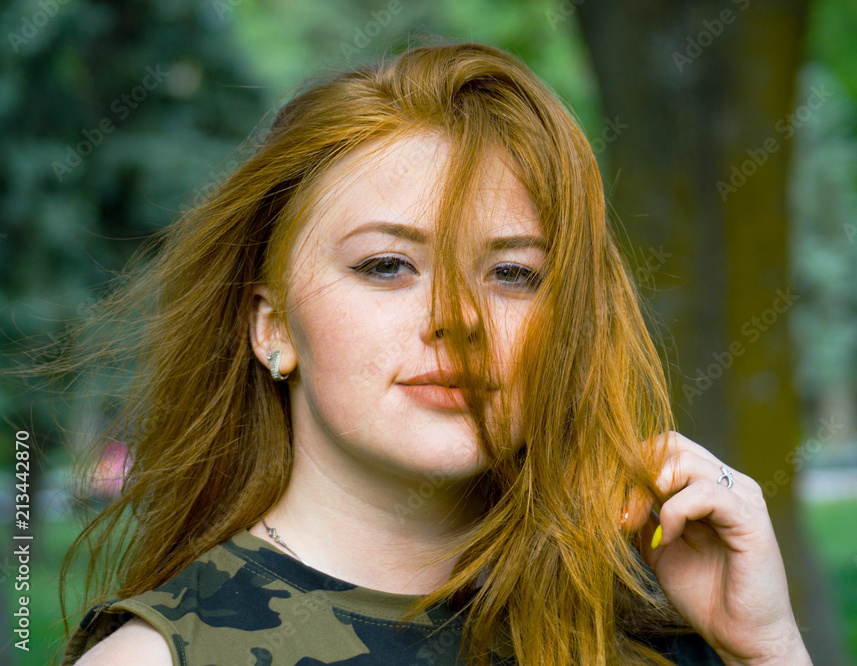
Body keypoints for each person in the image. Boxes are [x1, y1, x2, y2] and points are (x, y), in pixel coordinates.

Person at [55, 39, 811, 665]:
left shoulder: (660, 631)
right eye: (387, 265)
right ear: (272, 327)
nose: (458, 319)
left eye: (511, 274)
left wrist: (766, 650)